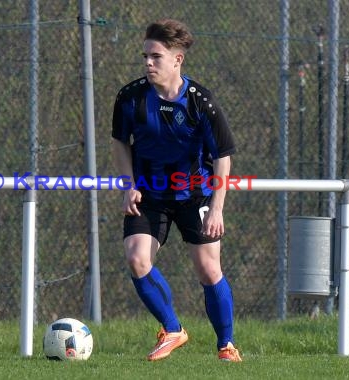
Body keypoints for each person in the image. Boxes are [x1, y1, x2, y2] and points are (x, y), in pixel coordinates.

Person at [111, 18, 241, 362]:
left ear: (177, 59)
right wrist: (129, 185)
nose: (148, 63)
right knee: (137, 259)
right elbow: (120, 143)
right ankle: (172, 329)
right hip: (149, 196)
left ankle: (226, 346)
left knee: (208, 270)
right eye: (145, 56)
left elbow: (222, 157)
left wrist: (216, 208)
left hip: (194, 195)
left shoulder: (201, 102)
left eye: (155, 56)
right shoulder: (130, 97)